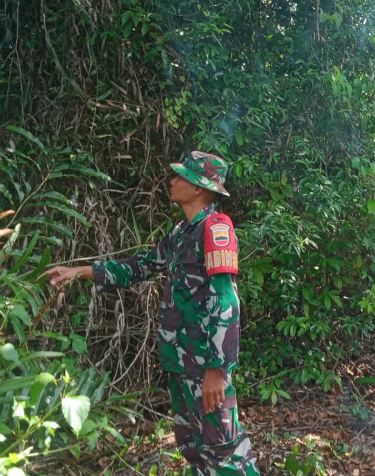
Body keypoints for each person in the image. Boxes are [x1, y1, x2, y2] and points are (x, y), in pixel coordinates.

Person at [46, 151, 260, 476]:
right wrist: (79, 271)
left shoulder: (216, 229)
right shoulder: (180, 233)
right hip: (181, 364)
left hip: (205, 367)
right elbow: (141, 266)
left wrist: (218, 368)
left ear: (200, 187)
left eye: (180, 177)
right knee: (194, 449)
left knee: (226, 455)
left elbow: (226, 299)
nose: (171, 181)